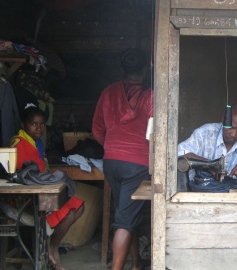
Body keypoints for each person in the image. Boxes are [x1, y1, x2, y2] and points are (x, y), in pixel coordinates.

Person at [92, 48, 153, 270]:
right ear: (145, 70)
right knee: (125, 220)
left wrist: (113, 148)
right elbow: (156, 132)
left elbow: (97, 130)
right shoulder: (150, 97)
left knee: (127, 213)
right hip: (137, 164)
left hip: (111, 162)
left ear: (123, 70)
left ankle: (136, 264)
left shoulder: (108, 93)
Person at [9, 104, 85, 270]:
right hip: (26, 200)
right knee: (70, 211)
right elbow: (19, 176)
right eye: (33, 124)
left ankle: (52, 245)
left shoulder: (37, 144)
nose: (39, 128)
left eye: (42, 124)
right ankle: (52, 248)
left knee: (79, 207)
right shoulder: (18, 144)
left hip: (42, 194)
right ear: (23, 124)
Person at [178, 103, 237, 182]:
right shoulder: (205, 133)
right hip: (199, 191)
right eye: (231, 127)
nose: (234, 134)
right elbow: (180, 152)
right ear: (223, 120)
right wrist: (208, 164)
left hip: (232, 195)